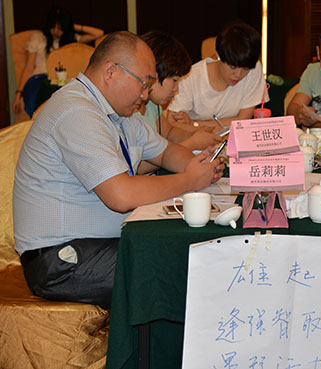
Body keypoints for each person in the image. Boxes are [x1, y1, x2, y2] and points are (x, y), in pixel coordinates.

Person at [13, 31, 225, 309]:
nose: (145, 95)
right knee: (174, 271)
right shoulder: (76, 111)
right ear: (111, 72)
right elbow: (121, 196)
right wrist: (190, 180)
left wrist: (199, 166)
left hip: (96, 244)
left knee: (184, 254)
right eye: (143, 83)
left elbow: (165, 152)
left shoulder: (118, 113)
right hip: (59, 259)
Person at [137, 31, 223, 173]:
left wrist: (199, 133)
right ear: (153, 74)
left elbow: (169, 132)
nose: (176, 89)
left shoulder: (152, 105)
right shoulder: (129, 111)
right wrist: (192, 143)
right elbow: (137, 167)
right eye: (174, 81)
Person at [166, 21, 267, 132]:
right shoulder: (191, 77)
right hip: (194, 138)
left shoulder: (254, 68)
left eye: (245, 69)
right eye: (232, 67)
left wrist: (195, 123)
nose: (238, 75)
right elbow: (172, 122)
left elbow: (243, 120)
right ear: (218, 54)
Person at [12, 6, 104, 117]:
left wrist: (72, 26)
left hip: (61, 82)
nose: (56, 31)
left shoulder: (70, 40)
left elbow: (99, 33)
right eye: (53, 27)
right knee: (48, 96)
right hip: (39, 80)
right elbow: (29, 68)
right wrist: (18, 94)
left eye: (60, 28)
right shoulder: (38, 38)